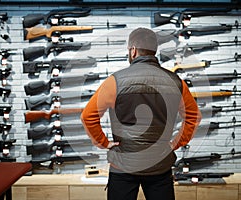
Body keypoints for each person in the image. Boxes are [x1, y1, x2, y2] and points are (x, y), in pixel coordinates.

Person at [81, 27, 201, 200]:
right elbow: (194, 117)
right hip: (159, 164)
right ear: (154, 50)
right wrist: (175, 143)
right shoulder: (176, 82)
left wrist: (104, 143)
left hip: (123, 165)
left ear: (133, 50)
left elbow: (87, 116)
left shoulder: (115, 81)